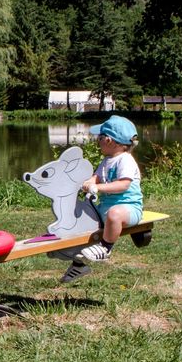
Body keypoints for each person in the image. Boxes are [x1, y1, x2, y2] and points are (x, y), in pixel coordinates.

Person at [62, 115, 143, 283]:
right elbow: (96, 178)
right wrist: (89, 183)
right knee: (82, 220)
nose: (97, 141)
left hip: (128, 209)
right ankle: (78, 264)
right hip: (105, 208)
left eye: (98, 138)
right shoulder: (107, 160)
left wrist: (98, 188)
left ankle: (106, 248)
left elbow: (123, 185)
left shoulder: (125, 160)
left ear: (108, 140)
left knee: (114, 214)